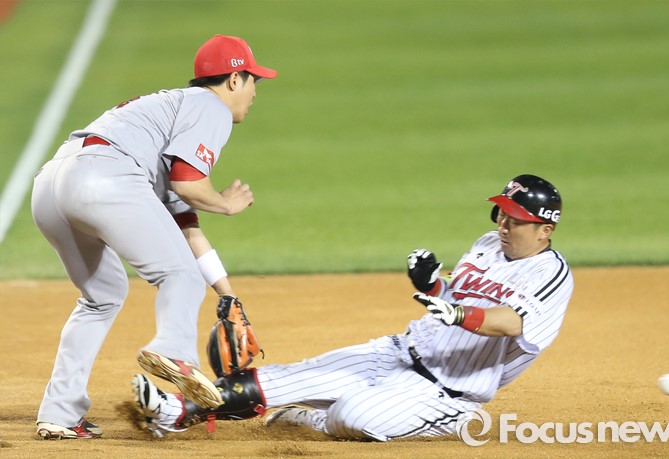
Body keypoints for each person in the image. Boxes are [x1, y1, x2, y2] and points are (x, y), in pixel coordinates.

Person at [130, 174, 574, 441]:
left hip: (447, 391)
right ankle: (173, 412)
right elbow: (454, 298)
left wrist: (458, 314)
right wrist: (432, 285)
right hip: (399, 351)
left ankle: (336, 420)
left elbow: (509, 322)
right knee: (282, 378)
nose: (503, 224)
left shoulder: (550, 274)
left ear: (544, 229)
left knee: (352, 415)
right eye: (501, 213)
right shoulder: (488, 244)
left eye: (515, 219)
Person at [31, 34, 277, 440]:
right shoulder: (210, 106)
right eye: (254, 81)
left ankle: (59, 411)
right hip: (105, 175)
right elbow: (189, 184)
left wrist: (228, 295)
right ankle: (173, 352)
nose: (254, 92)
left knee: (102, 297)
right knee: (179, 276)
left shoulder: (170, 116)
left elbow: (187, 227)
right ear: (235, 79)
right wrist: (225, 203)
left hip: (53, 186)